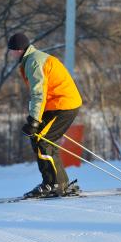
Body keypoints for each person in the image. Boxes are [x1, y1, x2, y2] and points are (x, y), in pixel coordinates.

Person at [7, 33, 82, 198]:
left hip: (63, 104)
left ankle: (52, 184)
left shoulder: (33, 62)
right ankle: (60, 183)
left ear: (19, 50)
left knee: (42, 140)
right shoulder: (33, 59)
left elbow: (38, 93)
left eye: (11, 51)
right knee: (40, 139)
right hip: (58, 103)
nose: (11, 54)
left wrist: (34, 120)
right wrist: (35, 119)